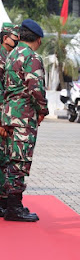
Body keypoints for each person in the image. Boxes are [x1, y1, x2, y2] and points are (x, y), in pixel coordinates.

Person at [2, 19, 48, 222]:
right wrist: (43, 110)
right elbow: (35, 87)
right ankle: (14, 207)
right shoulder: (32, 57)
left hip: (9, 115)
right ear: (37, 39)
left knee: (10, 159)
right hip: (24, 116)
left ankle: (7, 203)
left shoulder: (11, 55)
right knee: (19, 161)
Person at [0, 22, 19, 217]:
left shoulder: (10, 56)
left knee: (5, 158)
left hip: (7, 114)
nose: (17, 41)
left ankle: (4, 199)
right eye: (15, 37)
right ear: (5, 37)